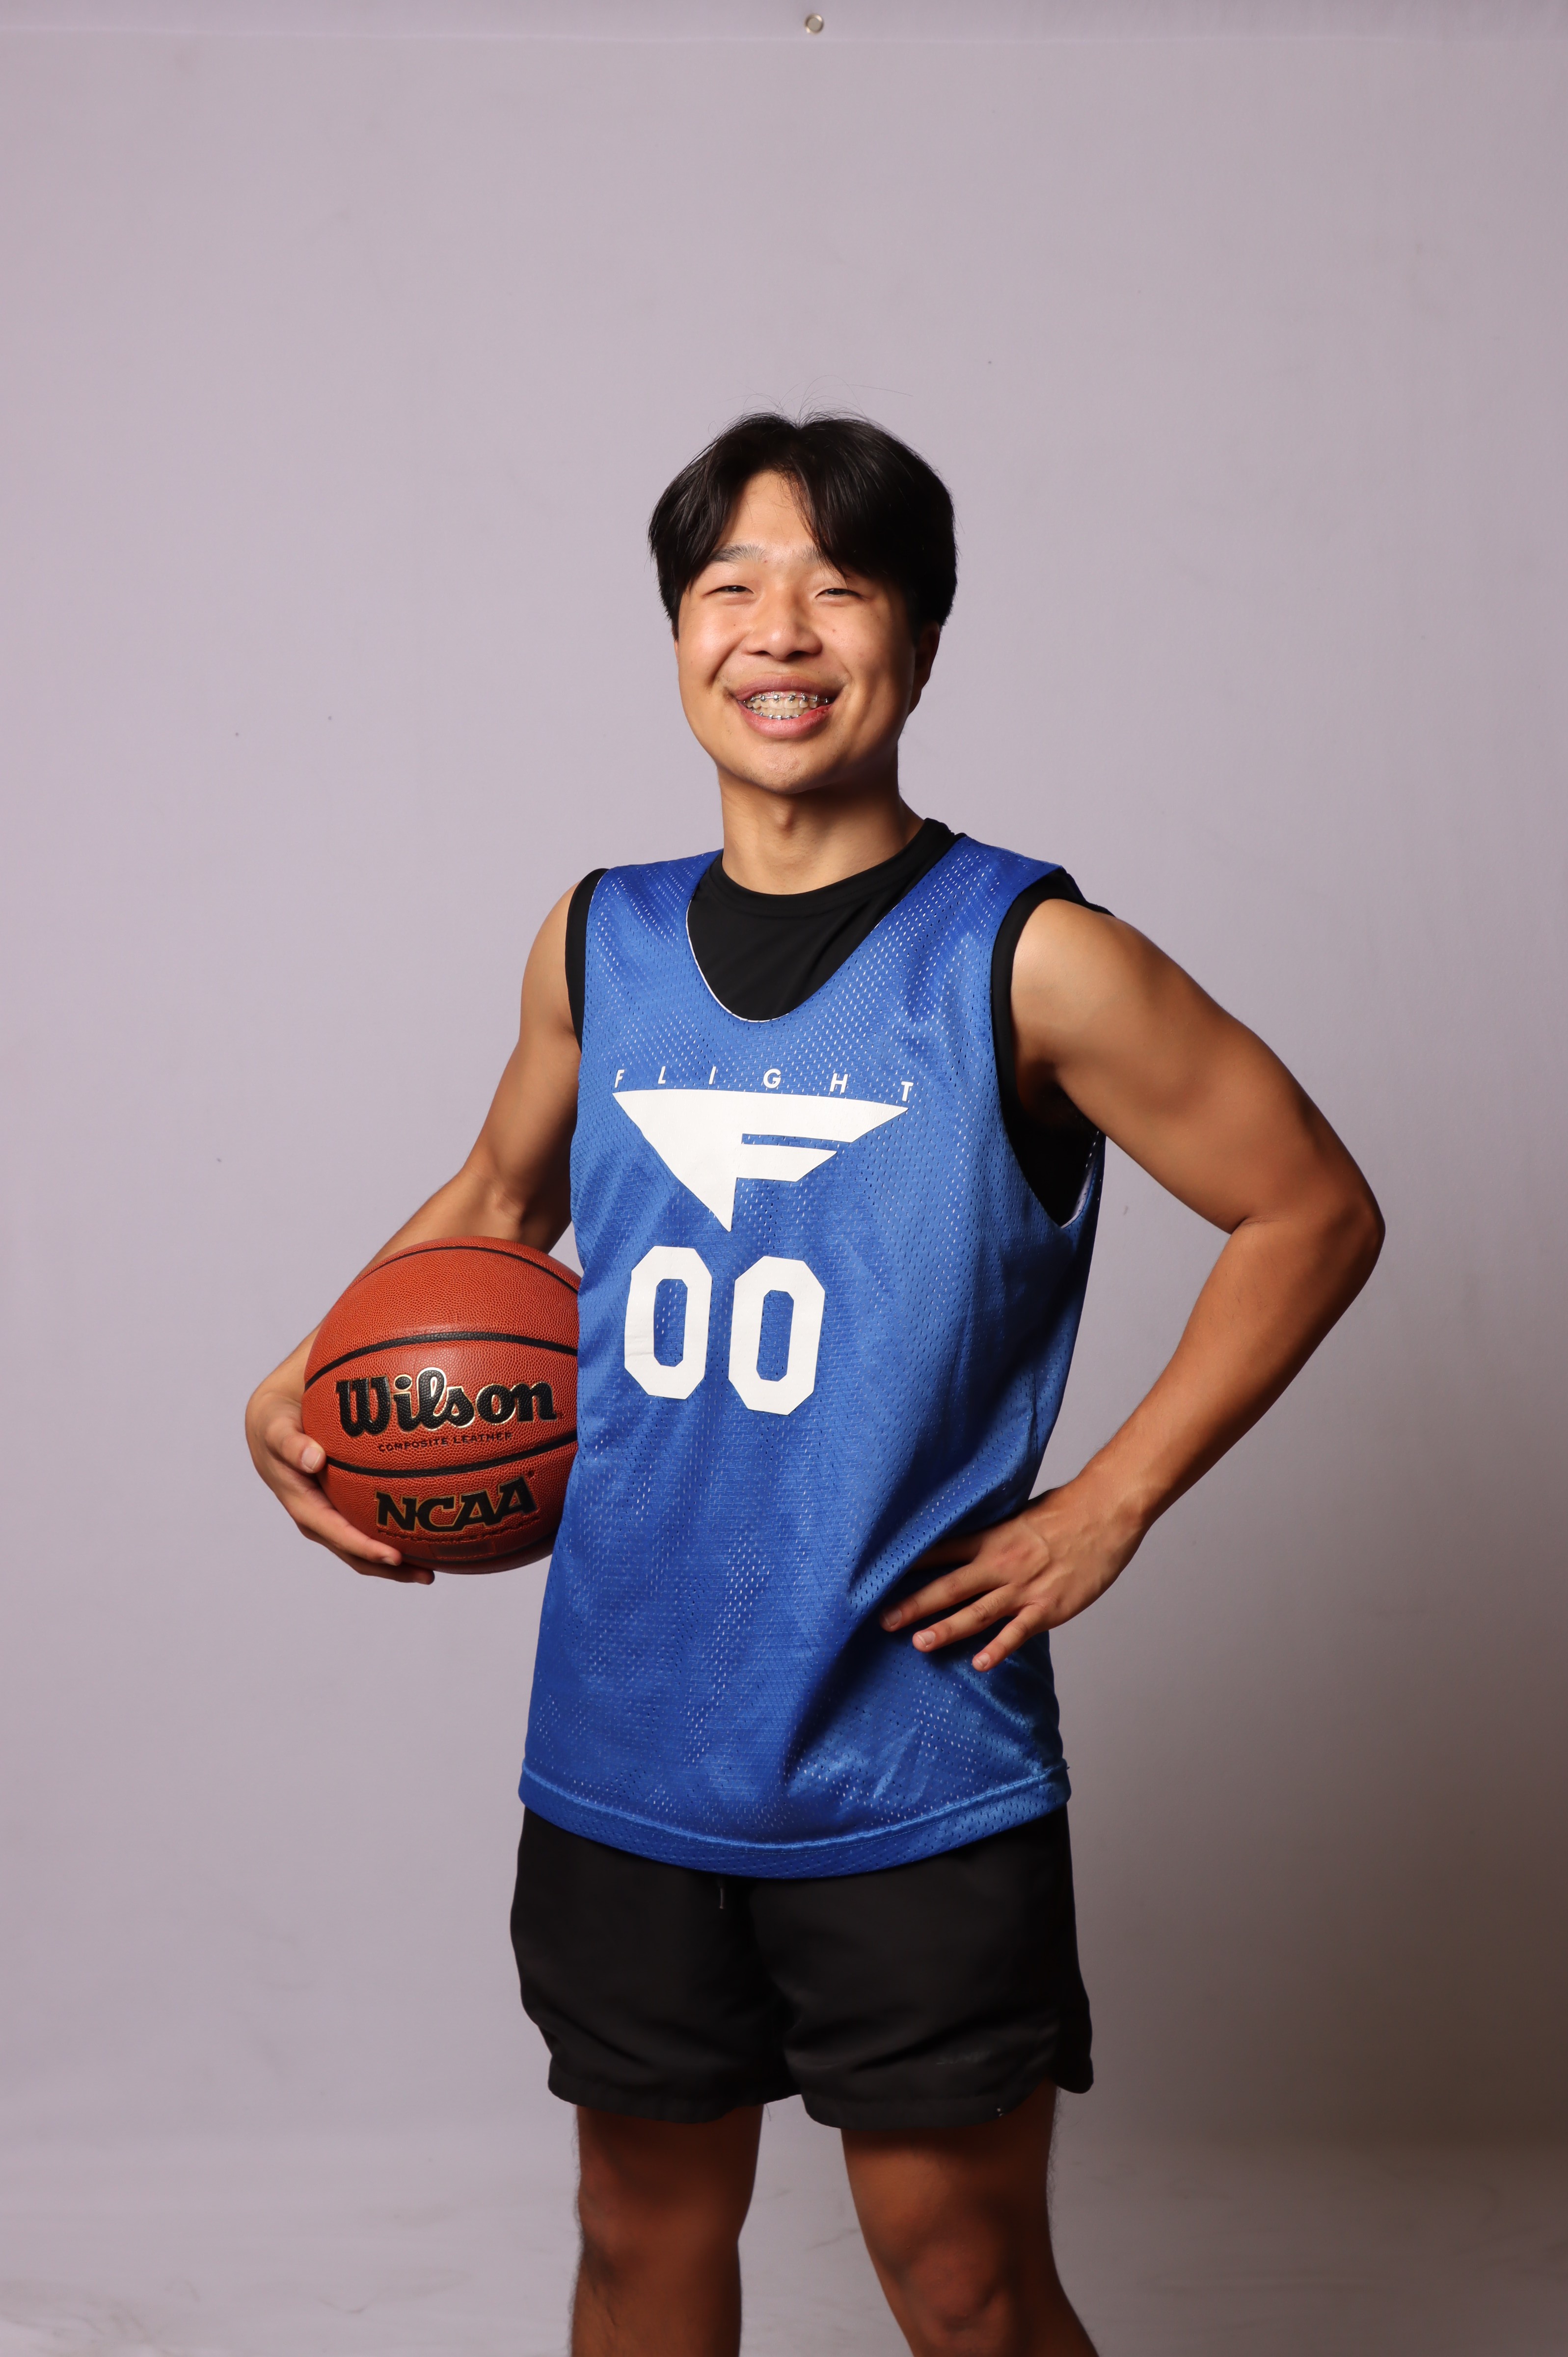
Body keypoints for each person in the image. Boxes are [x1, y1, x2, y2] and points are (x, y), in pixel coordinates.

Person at [245, 412, 1383, 2357]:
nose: (778, 630)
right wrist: (313, 1369)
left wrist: (1110, 1500)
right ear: (679, 634)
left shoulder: (1032, 957)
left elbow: (1310, 1208)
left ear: (918, 641)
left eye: (838, 589)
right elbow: (498, 1204)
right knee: (634, 2245)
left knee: (961, 2279)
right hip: (625, 1742)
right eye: (730, 588)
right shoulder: (598, 940)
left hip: (907, 1754)